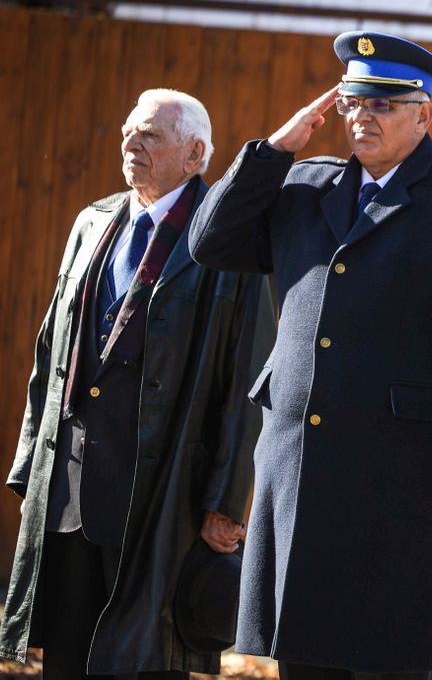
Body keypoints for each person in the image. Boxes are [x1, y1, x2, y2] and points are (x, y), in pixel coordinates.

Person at [187, 31, 432, 680]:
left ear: (423, 114)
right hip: (301, 472)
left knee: (387, 657)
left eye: (381, 105)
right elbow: (211, 242)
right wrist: (273, 151)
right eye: (350, 104)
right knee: (304, 659)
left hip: (402, 483)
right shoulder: (302, 187)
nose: (360, 117)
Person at [0, 89, 276, 679]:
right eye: (128, 131)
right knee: (67, 657)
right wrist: (31, 465)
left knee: (146, 662)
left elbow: (244, 384)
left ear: (195, 153)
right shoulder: (92, 220)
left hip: (163, 494)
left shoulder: (228, 240)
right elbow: (51, 352)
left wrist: (225, 504)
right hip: (71, 489)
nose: (132, 144)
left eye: (150, 135)